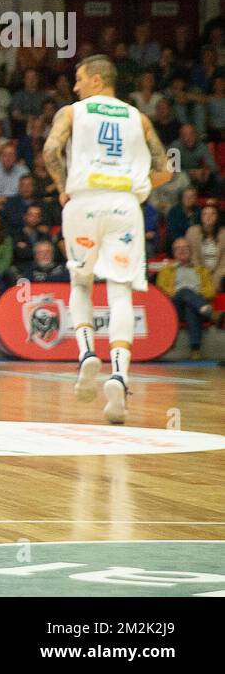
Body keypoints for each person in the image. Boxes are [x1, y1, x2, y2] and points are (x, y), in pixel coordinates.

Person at [43, 54, 172, 424]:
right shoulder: (139, 117)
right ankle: (120, 374)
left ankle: (86, 355)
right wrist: (140, 186)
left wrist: (61, 188)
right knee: (120, 291)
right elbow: (165, 169)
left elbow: (51, 150)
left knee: (81, 284)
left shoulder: (72, 112)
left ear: (97, 80)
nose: (76, 86)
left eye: (80, 79)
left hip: (83, 202)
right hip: (124, 206)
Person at [155, 238, 216, 358]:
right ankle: (209, 312)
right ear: (173, 252)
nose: (181, 251)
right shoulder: (166, 271)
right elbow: (161, 291)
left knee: (190, 307)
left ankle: (195, 350)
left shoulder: (202, 270)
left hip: (194, 306)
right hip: (175, 307)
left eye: (185, 248)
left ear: (191, 251)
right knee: (184, 291)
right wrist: (183, 293)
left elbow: (211, 291)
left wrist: (194, 295)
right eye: (178, 248)